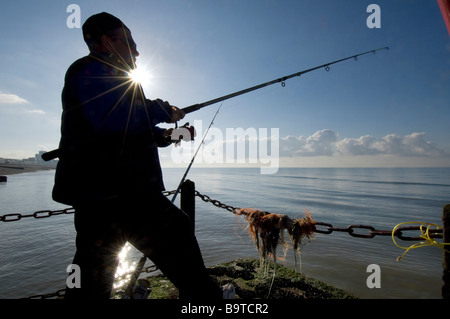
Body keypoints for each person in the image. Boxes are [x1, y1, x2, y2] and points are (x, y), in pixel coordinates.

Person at [52, 12, 223, 300]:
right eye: (129, 42)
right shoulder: (88, 70)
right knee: (180, 244)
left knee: (91, 277)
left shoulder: (118, 77)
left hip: (105, 199)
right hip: (123, 197)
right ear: (107, 41)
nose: (136, 50)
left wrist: (171, 135)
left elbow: (129, 127)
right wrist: (162, 108)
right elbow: (112, 118)